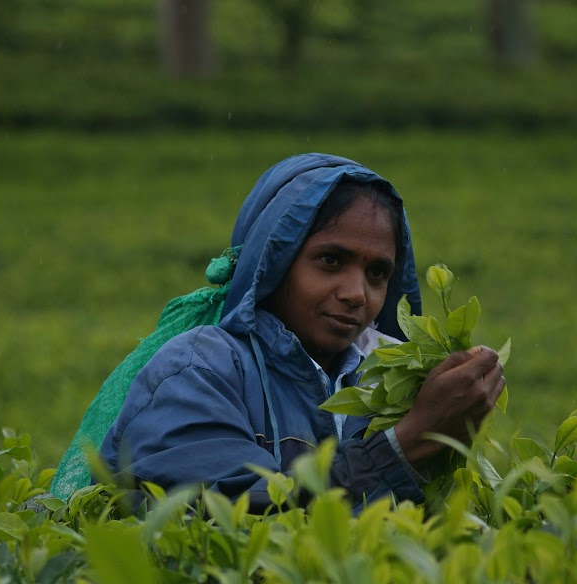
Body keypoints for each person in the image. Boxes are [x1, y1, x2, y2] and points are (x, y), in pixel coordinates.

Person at [98, 153, 505, 513]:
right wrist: (411, 440)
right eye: (330, 260)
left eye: (377, 273)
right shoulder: (197, 372)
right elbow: (240, 521)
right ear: (273, 262)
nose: (355, 294)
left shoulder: (388, 378)